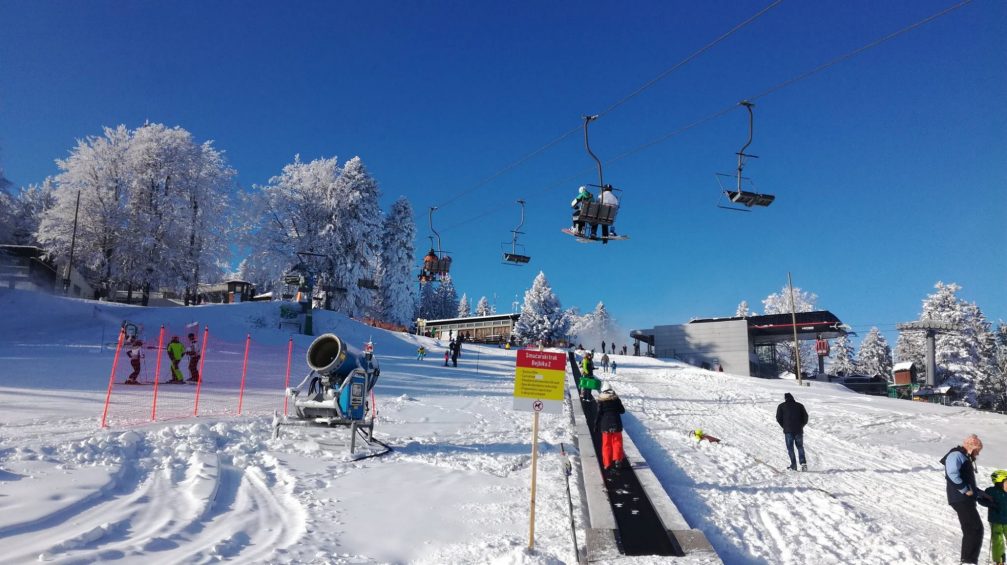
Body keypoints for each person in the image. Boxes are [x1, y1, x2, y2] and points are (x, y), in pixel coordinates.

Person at [941, 434, 991, 564]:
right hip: (960, 498)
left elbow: (968, 483)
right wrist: (965, 490)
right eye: (977, 450)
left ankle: (969, 560)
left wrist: (980, 494)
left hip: (964, 498)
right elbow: (951, 474)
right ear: (971, 447)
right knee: (973, 528)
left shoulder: (963, 456)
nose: (978, 454)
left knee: (974, 528)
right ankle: (968, 561)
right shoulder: (956, 455)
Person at [594, 382, 626, 476]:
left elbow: (599, 414)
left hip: (605, 425)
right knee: (617, 442)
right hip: (616, 423)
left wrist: (596, 425)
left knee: (606, 445)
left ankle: (607, 464)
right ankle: (617, 460)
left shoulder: (601, 400)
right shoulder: (616, 399)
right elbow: (622, 411)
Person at [775, 393, 808, 471]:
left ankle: (793, 465)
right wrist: (801, 425)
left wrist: (784, 426)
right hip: (798, 430)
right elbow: (805, 417)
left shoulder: (781, 406)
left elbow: (778, 418)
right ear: (793, 398)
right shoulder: (800, 405)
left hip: (788, 431)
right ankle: (803, 463)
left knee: (790, 448)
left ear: (785, 398)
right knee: (800, 446)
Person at [985, 469, 1007, 565]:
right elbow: (981, 499)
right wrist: (989, 503)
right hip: (996, 521)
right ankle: (999, 561)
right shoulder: (991, 491)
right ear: (999, 482)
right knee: (998, 541)